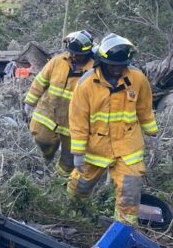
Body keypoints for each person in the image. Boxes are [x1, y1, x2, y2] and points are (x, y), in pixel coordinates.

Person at [67, 34, 159, 225]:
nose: (118, 70)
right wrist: (78, 152)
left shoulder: (137, 79)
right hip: (95, 147)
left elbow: (144, 109)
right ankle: (72, 217)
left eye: (121, 65)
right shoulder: (86, 84)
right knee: (80, 187)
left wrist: (152, 134)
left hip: (127, 147)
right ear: (101, 62)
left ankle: (123, 232)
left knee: (129, 192)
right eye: (113, 65)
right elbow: (78, 120)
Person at [23, 31, 95, 176]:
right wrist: (30, 102)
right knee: (41, 139)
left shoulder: (94, 70)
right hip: (48, 112)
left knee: (69, 159)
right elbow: (40, 81)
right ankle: (46, 160)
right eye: (72, 53)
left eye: (78, 54)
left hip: (73, 123)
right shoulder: (58, 61)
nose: (74, 56)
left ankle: (59, 180)